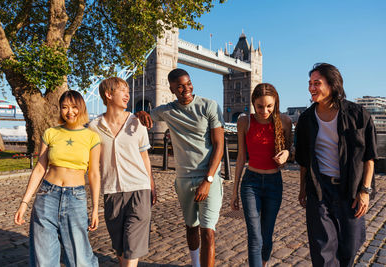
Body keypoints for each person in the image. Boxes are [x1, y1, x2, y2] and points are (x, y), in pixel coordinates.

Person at [137, 68, 224, 267]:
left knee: (208, 231)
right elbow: (144, 116)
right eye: (180, 86)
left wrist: (208, 180)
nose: (186, 89)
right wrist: (140, 112)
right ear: (172, 89)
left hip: (208, 178)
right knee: (191, 227)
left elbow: (219, 145)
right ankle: (195, 264)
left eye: (188, 83)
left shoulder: (209, 106)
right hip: (183, 179)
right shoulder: (166, 111)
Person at [295, 63, 377, 267]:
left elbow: (369, 157)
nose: (311, 88)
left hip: (351, 189)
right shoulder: (306, 119)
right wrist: (303, 188)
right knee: (322, 250)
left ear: (332, 85)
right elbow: (304, 159)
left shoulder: (358, 115)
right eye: (310, 83)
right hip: (320, 189)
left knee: (350, 246)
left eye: (317, 83)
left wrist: (365, 191)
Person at [14, 90, 100, 267]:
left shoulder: (91, 137)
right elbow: (40, 168)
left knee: (80, 258)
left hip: (76, 198)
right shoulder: (51, 133)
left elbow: (94, 174)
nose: (70, 112)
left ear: (81, 108)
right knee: (43, 257)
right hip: (47, 195)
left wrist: (95, 209)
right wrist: (24, 203)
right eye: (65, 107)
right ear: (60, 109)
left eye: (74, 107)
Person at [88, 77, 156, 267]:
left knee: (132, 247)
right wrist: (94, 206)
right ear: (108, 95)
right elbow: (93, 168)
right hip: (112, 192)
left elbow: (145, 158)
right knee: (120, 249)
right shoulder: (94, 128)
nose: (128, 95)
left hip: (139, 189)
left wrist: (152, 185)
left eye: (128, 91)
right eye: (122, 91)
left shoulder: (138, 122)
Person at [230, 83, 292, 267]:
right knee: (255, 236)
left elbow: (290, 152)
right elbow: (241, 157)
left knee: (267, 234)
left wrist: (287, 154)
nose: (264, 110)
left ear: (276, 104)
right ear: (253, 104)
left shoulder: (285, 122)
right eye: (260, 106)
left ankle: (263, 263)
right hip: (251, 183)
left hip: (274, 183)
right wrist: (234, 191)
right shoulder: (244, 121)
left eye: (269, 106)